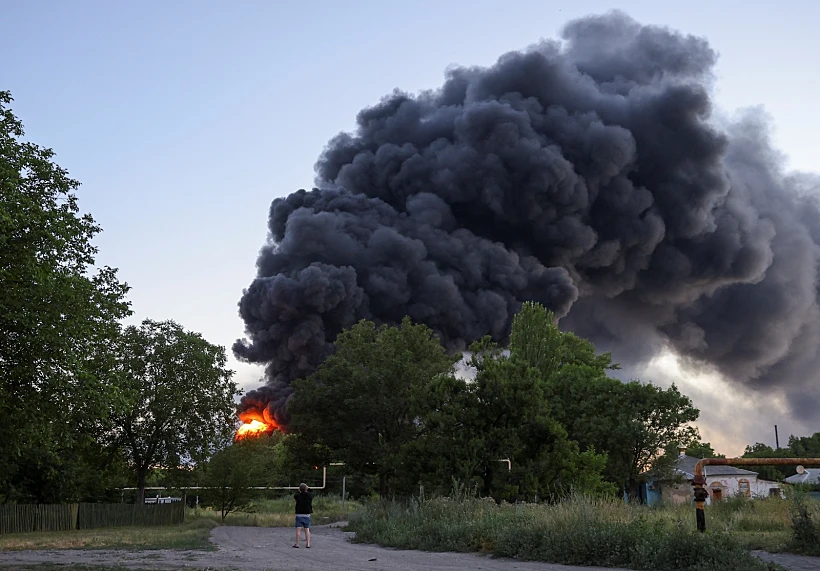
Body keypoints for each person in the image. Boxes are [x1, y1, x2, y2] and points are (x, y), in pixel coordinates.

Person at [293, 483, 313, 548]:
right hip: (307, 514)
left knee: (298, 530)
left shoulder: (298, 496)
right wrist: (308, 488)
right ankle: (308, 544)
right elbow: (312, 492)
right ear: (306, 489)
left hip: (299, 514)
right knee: (307, 530)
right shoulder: (309, 496)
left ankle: (297, 544)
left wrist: (299, 490)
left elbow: (295, 495)